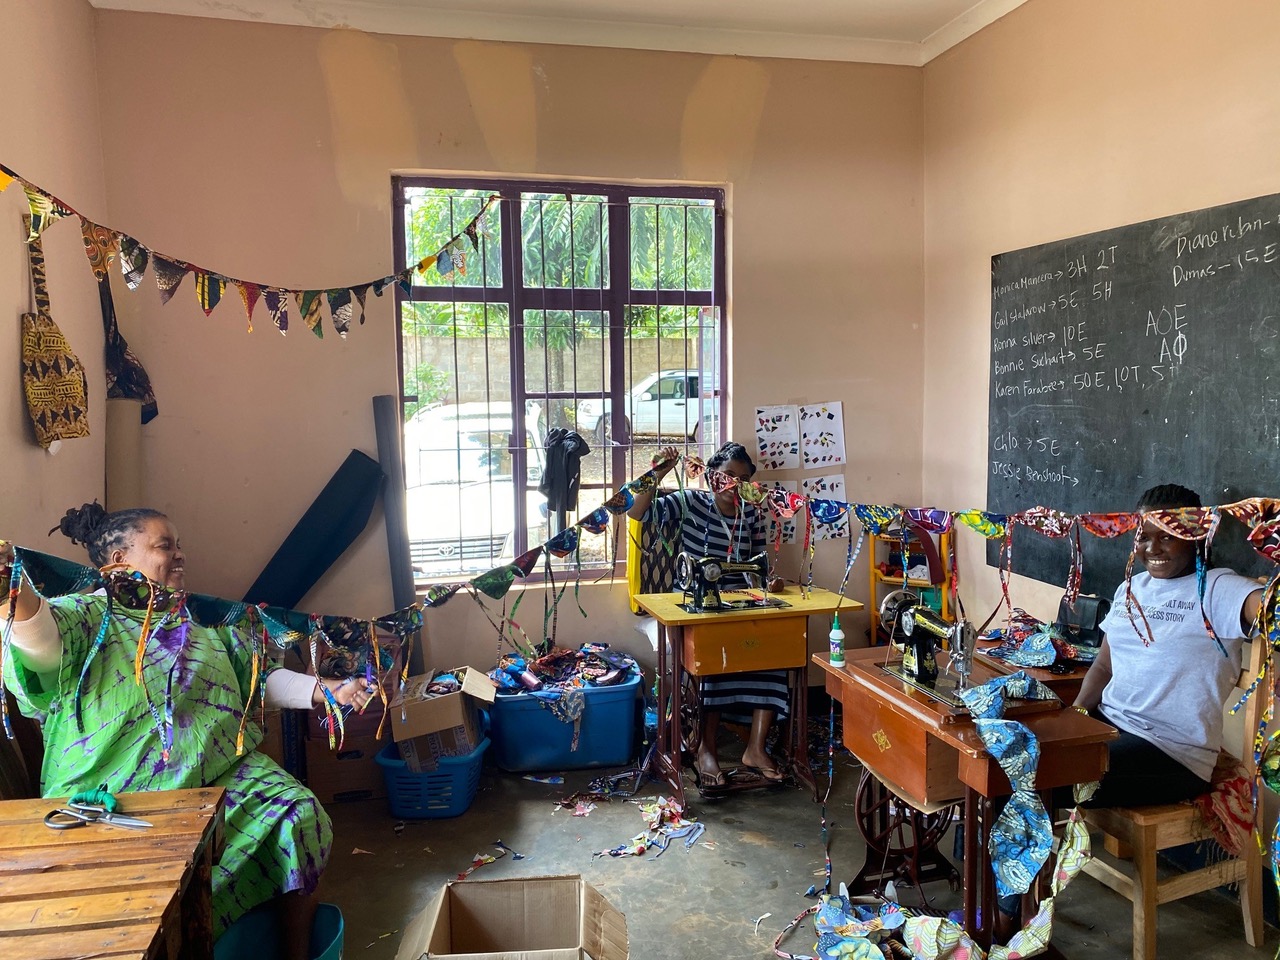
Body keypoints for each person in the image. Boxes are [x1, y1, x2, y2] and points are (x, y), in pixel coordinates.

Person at [1, 503, 378, 960]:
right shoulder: (83, 616)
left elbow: (254, 680)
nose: (179, 554)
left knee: (299, 813)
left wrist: (326, 692)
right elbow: (40, 645)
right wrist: (14, 593)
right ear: (119, 560)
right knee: (151, 898)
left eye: (179, 545)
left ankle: (296, 952)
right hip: (116, 794)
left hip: (224, 776)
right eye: (164, 545)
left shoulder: (204, 616)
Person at [1071, 484, 1263, 807]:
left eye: (1167, 536)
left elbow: (1263, 605)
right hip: (1109, 725)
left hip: (1171, 753)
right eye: (1144, 537)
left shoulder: (1216, 589)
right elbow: (1104, 666)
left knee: (1047, 774)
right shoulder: (1131, 588)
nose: (1152, 549)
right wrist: (1075, 715)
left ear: (1195, 535)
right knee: (1018, 755)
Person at [628, 442, 788, 796]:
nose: (735, 485)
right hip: (695, 601)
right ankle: (706, 751)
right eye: (729, 476)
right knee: (714, 662)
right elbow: (636, 512)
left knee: (776, 658)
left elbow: (758, 570)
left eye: (744, 479)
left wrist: (769, 582)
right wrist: (658, 471)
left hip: (737, 604)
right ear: (713, 476)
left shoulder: (752, 514)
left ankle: (755, 750)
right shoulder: (690, 503)